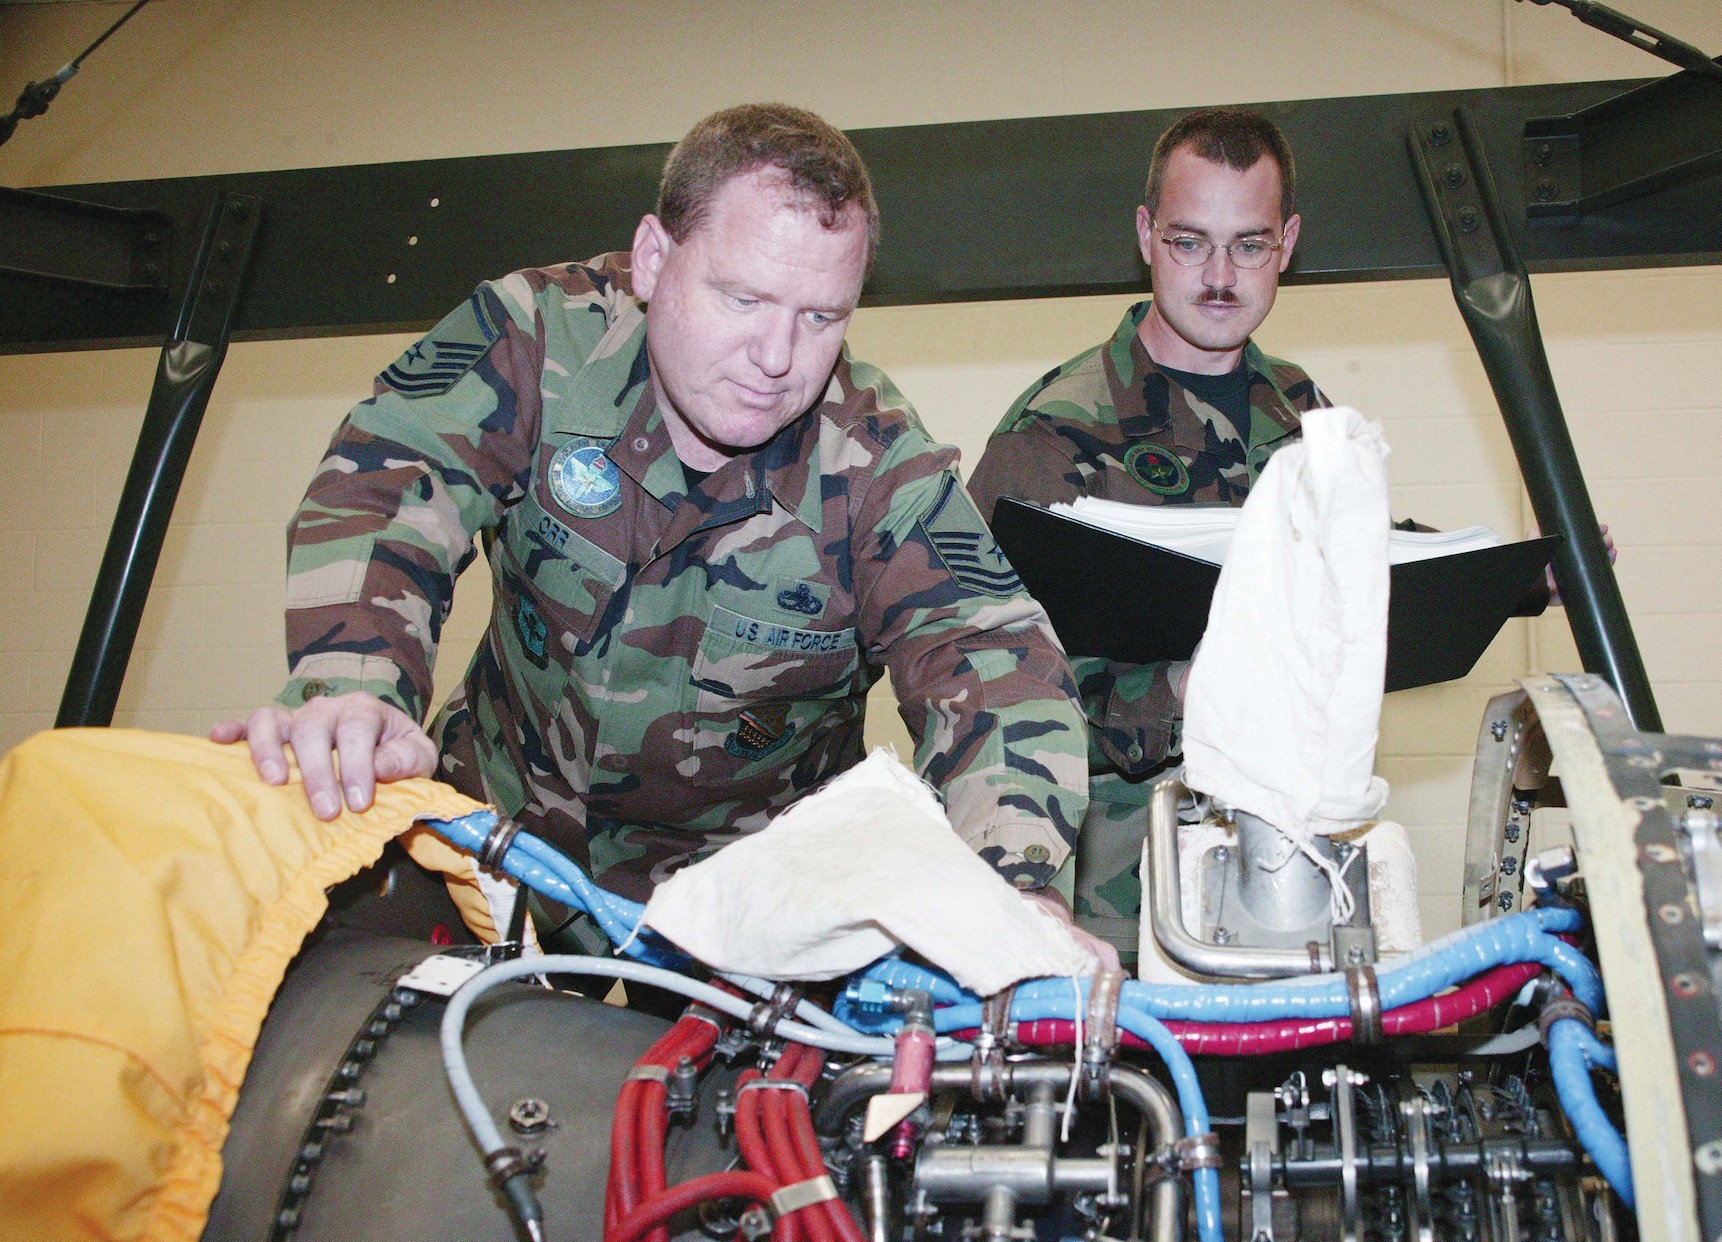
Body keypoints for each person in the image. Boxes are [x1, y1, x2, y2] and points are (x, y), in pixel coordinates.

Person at [213, 104, 1098, 955]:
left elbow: (993, 658)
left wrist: (1013, 888)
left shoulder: (873, 463)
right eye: (743, 297)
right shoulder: (539, 340)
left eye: (821, 316)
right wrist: (353, 685)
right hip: (496, 830)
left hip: (740, 904)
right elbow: (388, 482)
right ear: (651, 258)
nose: (778, 356)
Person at [968, 107, 1607, 959]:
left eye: (1251, 244)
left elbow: (1363, 559)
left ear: (1289, 242)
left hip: (1292, 883)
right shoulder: (1056, 429)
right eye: (1191, 242)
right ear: (1146, 237)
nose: (1220, 274)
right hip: (1121, 904)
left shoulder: (1301, 409)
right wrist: (1190, 690)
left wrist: (1524, 576)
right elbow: (984, 692)